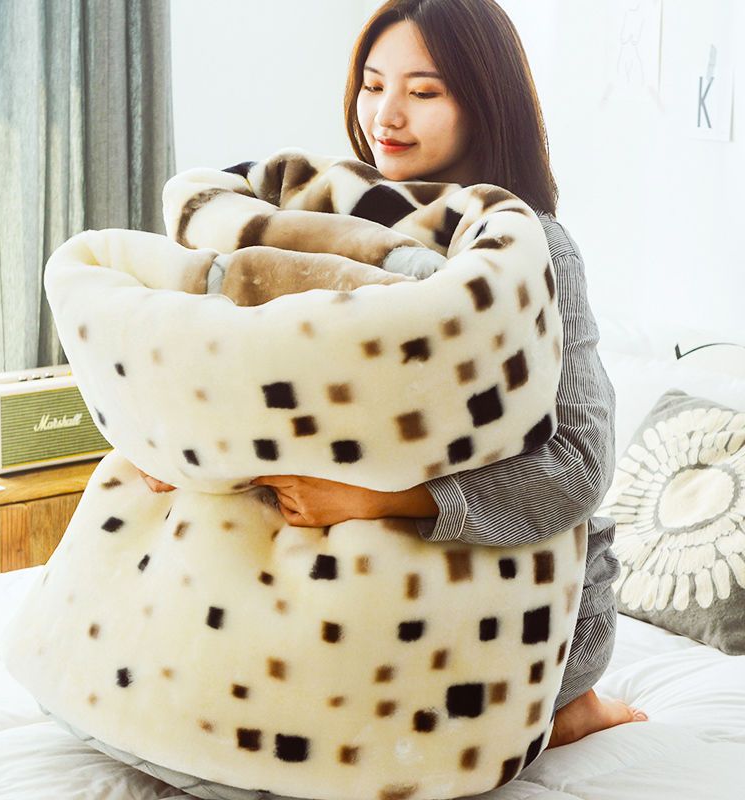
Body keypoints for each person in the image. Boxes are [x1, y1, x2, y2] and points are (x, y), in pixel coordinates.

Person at [139, 0, 648, 752]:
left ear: (484, 102)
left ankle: (576, 705)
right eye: (373, 85)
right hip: (353, 567)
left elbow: (579, 467)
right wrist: (189, 449)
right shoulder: (338, 222)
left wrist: (381, 500)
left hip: (530, 600)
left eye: (424, 91)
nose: (386, 115)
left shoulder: (536, 248)